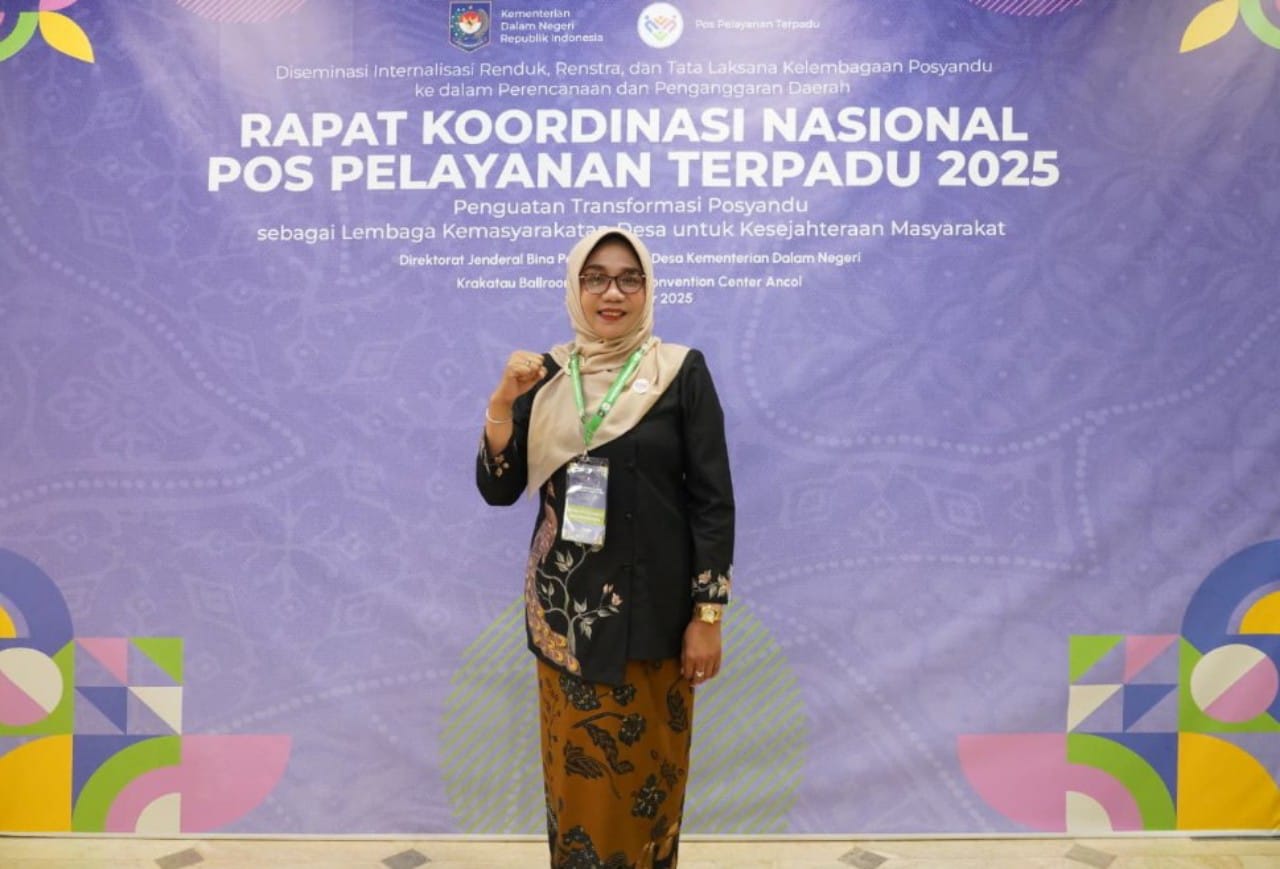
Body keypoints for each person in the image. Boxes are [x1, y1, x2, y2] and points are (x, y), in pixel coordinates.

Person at [475, 226, 734, 868]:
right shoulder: (546, 376)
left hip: (657, 618)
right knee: (580, 788)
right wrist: (502, 405)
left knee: (649, 782)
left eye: (628, 278)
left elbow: (712, 502)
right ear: (575, 288)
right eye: (595, 279)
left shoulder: (680, 372)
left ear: (647, 288)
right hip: (567, 618)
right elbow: (499, 490)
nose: (611, 293)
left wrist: (707, 616)